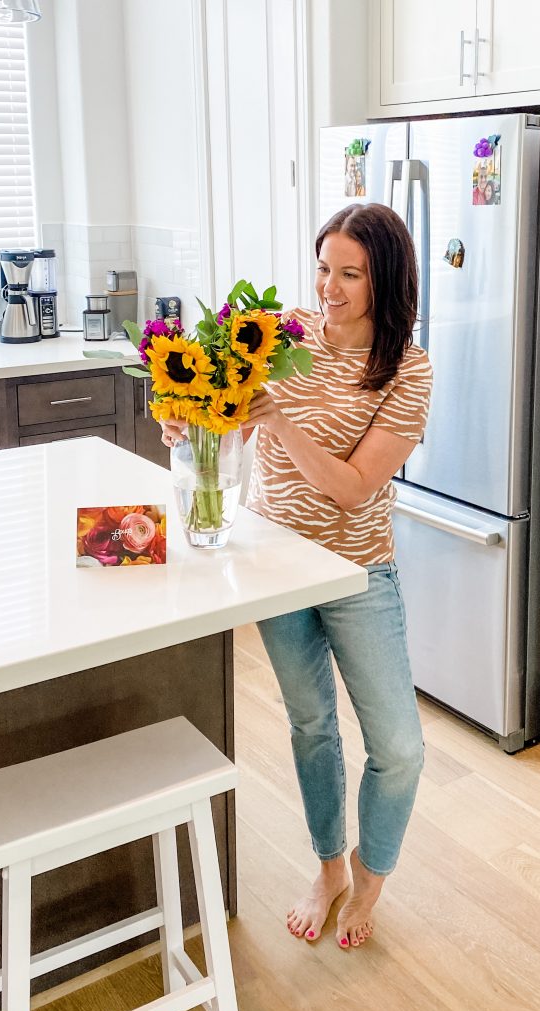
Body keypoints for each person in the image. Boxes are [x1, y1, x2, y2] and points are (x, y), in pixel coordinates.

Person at [160, 203, 432, 950]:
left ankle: (369, 879)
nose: (329, 288)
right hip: (276, 562)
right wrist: (186, 420)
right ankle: (329, 871)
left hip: (356, 573)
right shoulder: (276, 335)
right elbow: (225, 420)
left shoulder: (406, 368)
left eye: (350, 274)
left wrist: (279, 420)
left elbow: (352, 489)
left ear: (387, 282)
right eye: (323, 268)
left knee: (398, 747)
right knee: (312, 727)